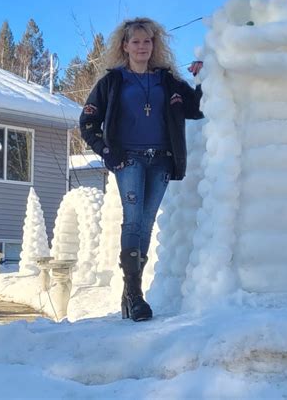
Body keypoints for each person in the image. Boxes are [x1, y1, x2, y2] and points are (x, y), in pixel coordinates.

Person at [79, 17, 204, 322]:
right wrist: (108, 152)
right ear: (124, 46)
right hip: (129, 159)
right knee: (133, 221)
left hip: (161, 159)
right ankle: (135, 295)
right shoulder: (112, 82)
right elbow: (87, 122)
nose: (142, 47)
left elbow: (196, 108)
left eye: (147, 41)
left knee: (146, 224)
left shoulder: (167, 80)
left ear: (154, 44)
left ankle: (130, 293)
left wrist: (205, 77)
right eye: (135, 41)